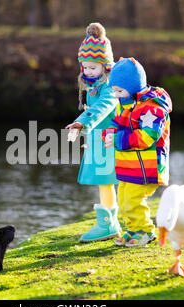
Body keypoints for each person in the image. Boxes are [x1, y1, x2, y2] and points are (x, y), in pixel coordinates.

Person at [103, 57, 173, 247]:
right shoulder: (126, 102)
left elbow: (147, 136)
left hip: (147, 166)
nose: (116, 95)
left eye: (119, 90)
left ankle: (145, 231)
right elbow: (117, 121)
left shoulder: (152, 107)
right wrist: (109, 133)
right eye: (114, 90)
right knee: (123, 198)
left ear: (133, 86)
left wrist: (119, 140)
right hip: (129, 165)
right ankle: (132, 230)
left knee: (134, 199)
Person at [65, 22, 121, 242]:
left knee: (107, 179)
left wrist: (82, 122)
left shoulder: (108, 87)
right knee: (104, 181)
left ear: (105, 66)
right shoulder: (93, 83)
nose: (88, 71)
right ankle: (109, 222)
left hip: (108, 138)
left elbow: (104, 106)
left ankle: (108, 224)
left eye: (93, 68)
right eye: (85, 67)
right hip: (98, 138)